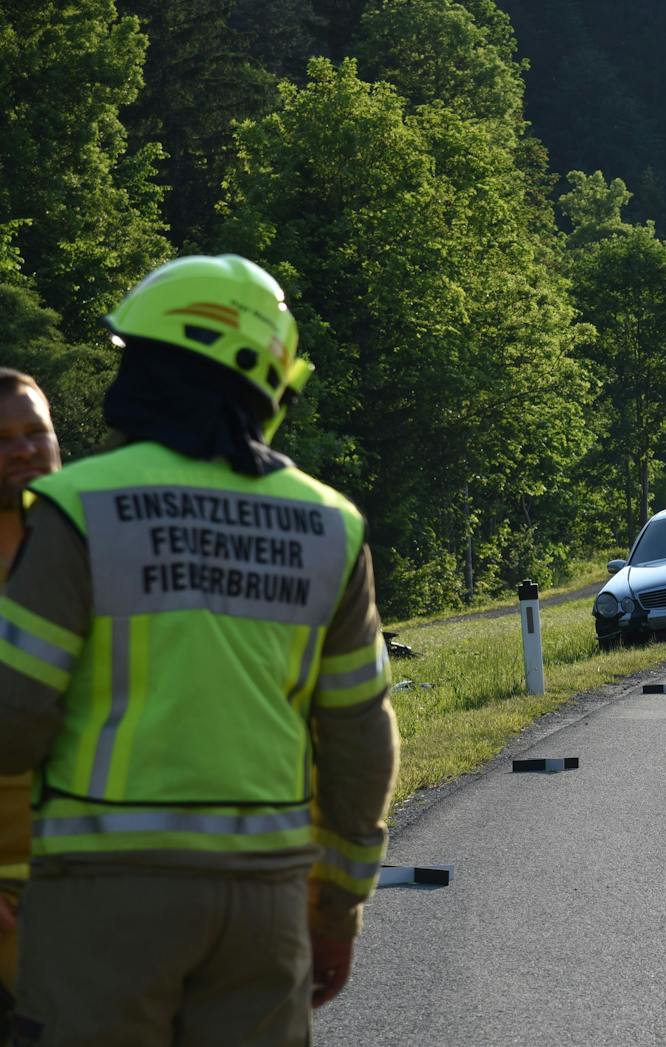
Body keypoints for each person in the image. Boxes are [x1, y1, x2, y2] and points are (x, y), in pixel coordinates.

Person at [0, 255, 399, 1045]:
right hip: (267, 904)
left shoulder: (79, 507)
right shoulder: (331, 526)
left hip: (102, 900)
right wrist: (340, 905)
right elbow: (362, 742)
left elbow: (15, 721)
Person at [0, 370, 61, 1035]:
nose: (21, 449)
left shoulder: (104, 552)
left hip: (100, 889)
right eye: (2, 438)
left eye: (34, 431)